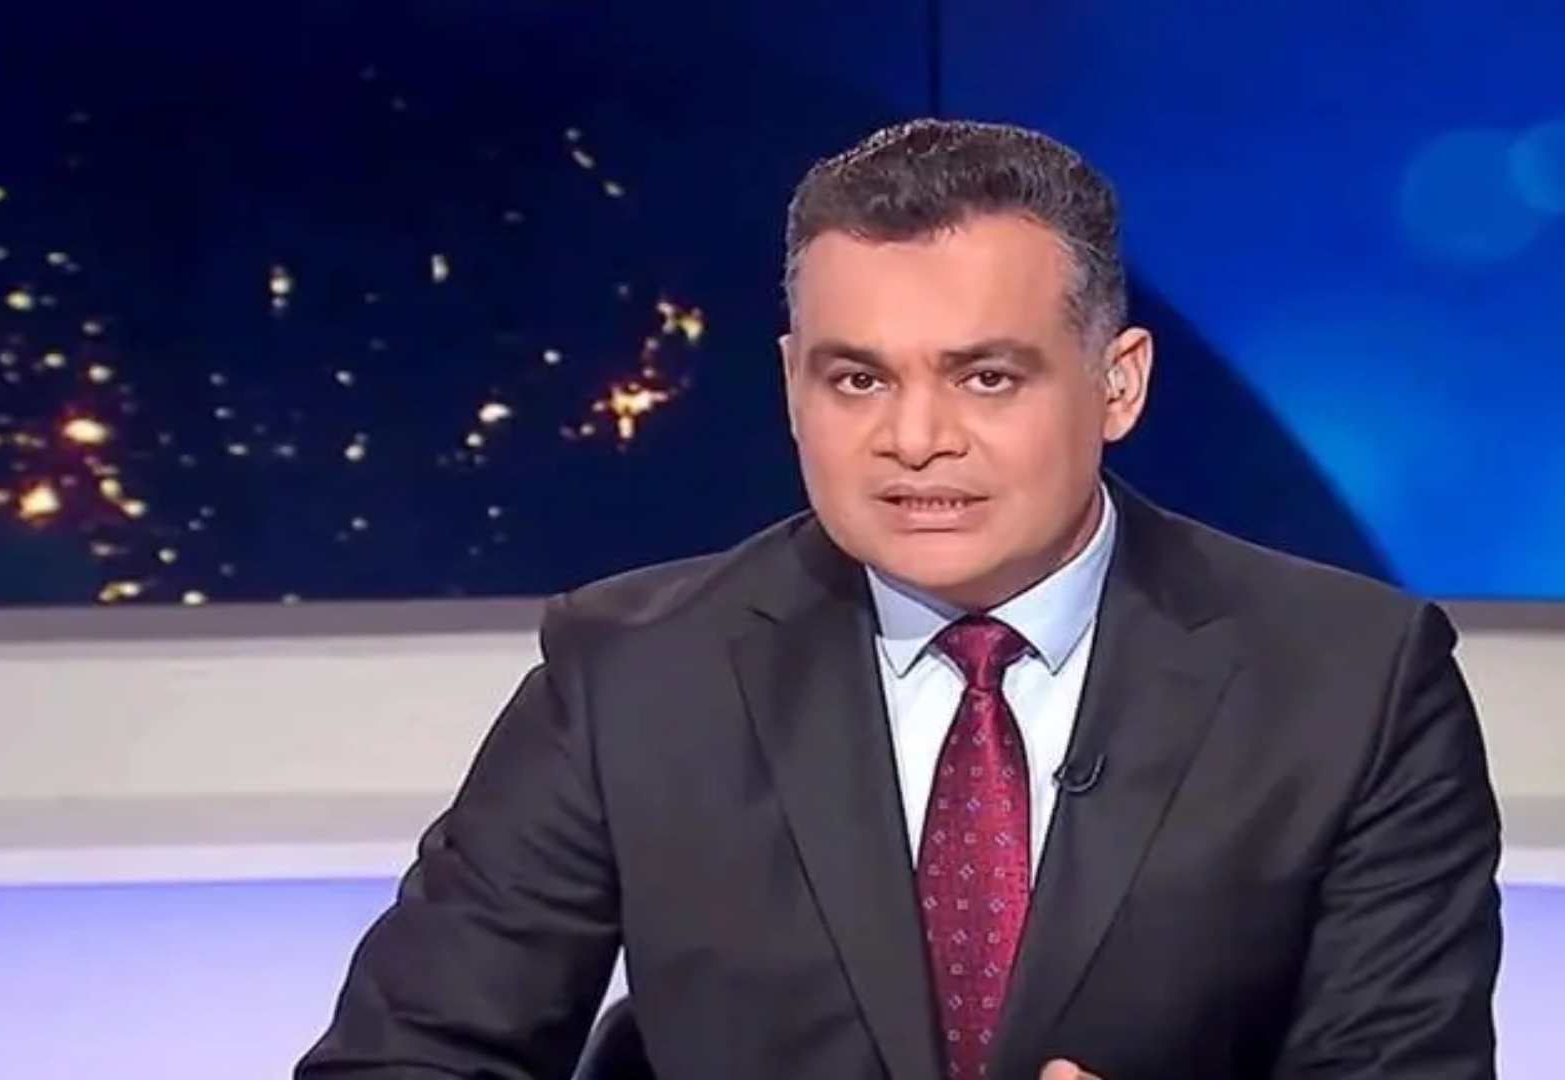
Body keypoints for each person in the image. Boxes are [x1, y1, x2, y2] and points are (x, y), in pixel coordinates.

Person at [297, 119, 1503, 1080]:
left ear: (1117, 383)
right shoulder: (630, 673)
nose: (914, 439)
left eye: (987, 377)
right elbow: (408, 1057)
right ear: (792, 387)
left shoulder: (1352, 682)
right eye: (859, 379)